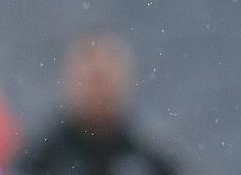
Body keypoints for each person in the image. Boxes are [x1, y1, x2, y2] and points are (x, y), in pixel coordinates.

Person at [19, 33, 177, 175]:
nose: (99, 90)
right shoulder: (40, 160)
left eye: (105, 79)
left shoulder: (150, 160)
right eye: (92, 79)